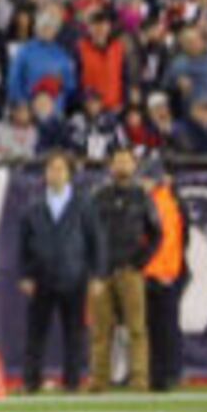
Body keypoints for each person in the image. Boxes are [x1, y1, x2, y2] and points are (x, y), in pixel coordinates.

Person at [14, 149, 96, 393]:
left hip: (74, 276)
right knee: (35, 333)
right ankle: (31, 380)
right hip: (42, 277)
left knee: (74, 333)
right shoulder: (33, 206)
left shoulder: (83, 204)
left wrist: (96, 274)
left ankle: (71, 381)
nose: (55, 174)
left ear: (69, 174)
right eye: (51, 169)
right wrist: (25, 274)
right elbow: (23, 243)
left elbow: (95, 240)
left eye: (60, 169)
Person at [89, 146, 157, 391]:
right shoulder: (98, 196)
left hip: (130, 270)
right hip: (102, 272)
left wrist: (140, 261)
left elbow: (156, 233)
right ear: (111, 166)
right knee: (100, 330)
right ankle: (99, 380)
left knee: (137, 328)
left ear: (134, 165)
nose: (121, 166)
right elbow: (87, 232)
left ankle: (139, 379)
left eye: (126, 161)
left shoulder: (142, 197)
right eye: (117, 161)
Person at [142, 155, 187, 393]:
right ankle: (162, 374)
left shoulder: (162, 202)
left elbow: (167, 242)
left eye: (147, 178)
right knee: (159, 327)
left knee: (163, 327)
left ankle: (167, 374)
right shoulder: (165, 200)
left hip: (160, 273)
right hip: (163, 271)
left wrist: (157, 270)